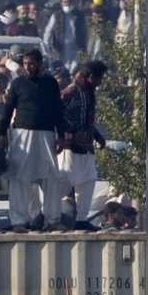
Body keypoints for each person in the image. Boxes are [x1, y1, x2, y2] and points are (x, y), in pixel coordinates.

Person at [1, 49, 64, 233]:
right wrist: (1, 134)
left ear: (40, 63)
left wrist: (61, 135)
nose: (28, 67)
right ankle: (19, 221)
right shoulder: (18, 84)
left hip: (46, 134)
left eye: (31, 64)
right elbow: (7, 110)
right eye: (26, 64)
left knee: (51, 177)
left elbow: (58, 110)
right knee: (19, 177)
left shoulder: (51, 83)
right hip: (22, 134)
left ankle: (52, 220)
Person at [59, 61, 109, 230]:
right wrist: (72, 131)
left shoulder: (88, 92)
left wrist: (97, 136)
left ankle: (81, 218)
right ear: (91, 77)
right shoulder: (72, 91)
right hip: (71, 147)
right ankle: (46, 213)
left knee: (89, 179)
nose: (101, 82)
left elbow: (86, 120)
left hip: (86, 146)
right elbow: (57, 112)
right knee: (65, 182)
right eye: (100, 78)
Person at [43, 0, 88, 71]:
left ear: (74, 2)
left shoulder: (80, 15)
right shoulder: (56, 16)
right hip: (61, 50)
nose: (67, 4)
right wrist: (46, 49)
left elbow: (87, 31)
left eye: (69, 2)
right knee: (62, 71)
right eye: (65, 2)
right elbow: (48, 32)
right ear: (61, 4)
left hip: (77, 49)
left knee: (76, 70)